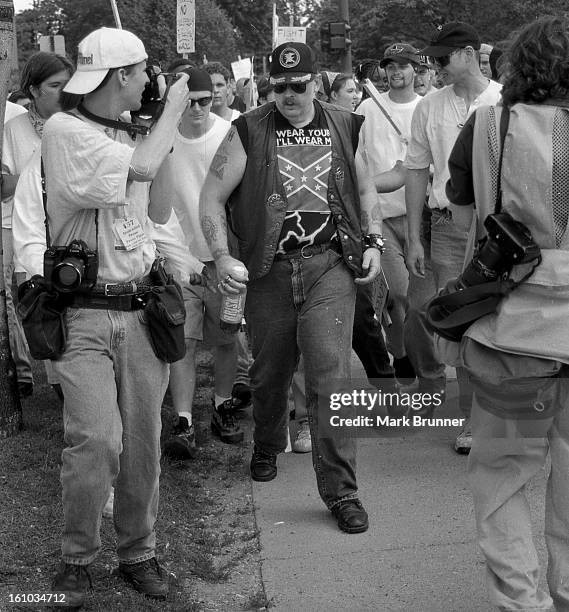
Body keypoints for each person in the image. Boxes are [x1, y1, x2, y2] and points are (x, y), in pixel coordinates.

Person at [31, 27, 190, 608]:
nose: (152, 81)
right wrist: (172, 111)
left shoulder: (130, 136)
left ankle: (138, 553)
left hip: (141, 306)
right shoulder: (64, 130)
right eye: (144, 72)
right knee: (96, 438)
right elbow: (139, 173)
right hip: (85, 314)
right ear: (122, 76)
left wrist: (160, 134)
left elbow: (163, 203)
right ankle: (77, 558)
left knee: (144, 440)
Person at [199, 41, 383, 534]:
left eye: (297, 85)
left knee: (330, 375)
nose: (287, 95)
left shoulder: (346, 125)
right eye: (277, 86)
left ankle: (341, 492)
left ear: (316, 80)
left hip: (330, 266)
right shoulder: (247, 131)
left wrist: (374, 242)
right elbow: (211, 199)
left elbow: (365, 190)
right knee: (269, 370)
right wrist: (222, 256)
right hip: (268, 269)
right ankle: (266, 441)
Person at [445, 15, 569, 611]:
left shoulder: (489, 122)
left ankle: (523, 601)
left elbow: (460, 199)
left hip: (515, 331)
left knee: (503, 473)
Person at [404, 22, 502, 453]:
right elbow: (415, 171)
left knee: (499, 320)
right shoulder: (429, 107)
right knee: (457, 321)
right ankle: (470, 418)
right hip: (447, 226)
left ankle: (504, 412)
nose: (435, 66)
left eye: (442, 58)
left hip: (501, 229)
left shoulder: (503, 99)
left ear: (467, 53)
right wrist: (412, 236)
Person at [150, 67, 244, 456]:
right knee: (183, 343)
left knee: (227, 339)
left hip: (223, 260)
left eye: (205, 101)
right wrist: (181, 260)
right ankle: (185, 420)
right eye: (189, 102)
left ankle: (223, 405)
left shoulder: (228, 135)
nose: (198, 109)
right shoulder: (163, 139)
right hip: (179, 258)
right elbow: (158, 207)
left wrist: (228, 258)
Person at [2, 52, 74, 399]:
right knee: (43, 309)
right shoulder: (13, 129)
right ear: (33, 89)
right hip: (30, 233)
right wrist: (40, 174)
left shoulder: (80, 121)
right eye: (55, 85)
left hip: (72, 233)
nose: (64, 92)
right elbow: (4, 186)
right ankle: (60, 385)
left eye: (67, 84)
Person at [357, 43, 427, 385]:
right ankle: (401, 355)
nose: (396, 71)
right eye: (390, 66)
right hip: (381, 217)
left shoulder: (426, 108)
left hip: (420, 215)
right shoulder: (369, 108)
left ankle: (406, 352)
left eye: (403, 65)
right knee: (400, 293)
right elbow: (357, 157)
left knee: (415, 300)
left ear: (416, 69)